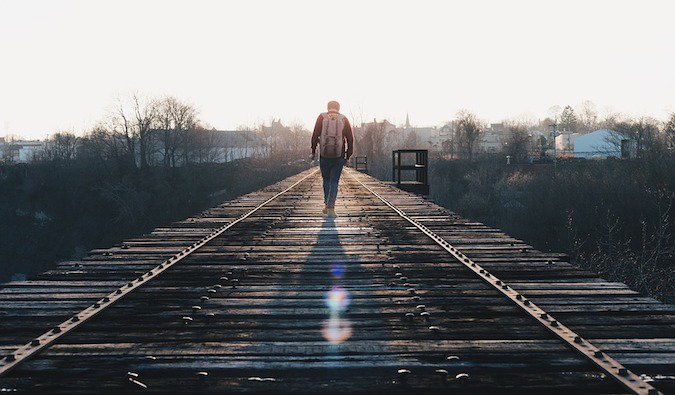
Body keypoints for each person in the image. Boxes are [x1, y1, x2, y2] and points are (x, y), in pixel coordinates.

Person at [311, 100, 354, 217]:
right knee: (334, 181)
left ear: (328, 107)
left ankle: (326, 204)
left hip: (324, 154)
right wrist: (348, 155)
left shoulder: (322, 117)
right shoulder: (343, 119)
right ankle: (331, 207)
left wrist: (313, 151)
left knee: (326, 180)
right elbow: (350, 138)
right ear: (338, 109)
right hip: (338, 155)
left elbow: (315, 135)